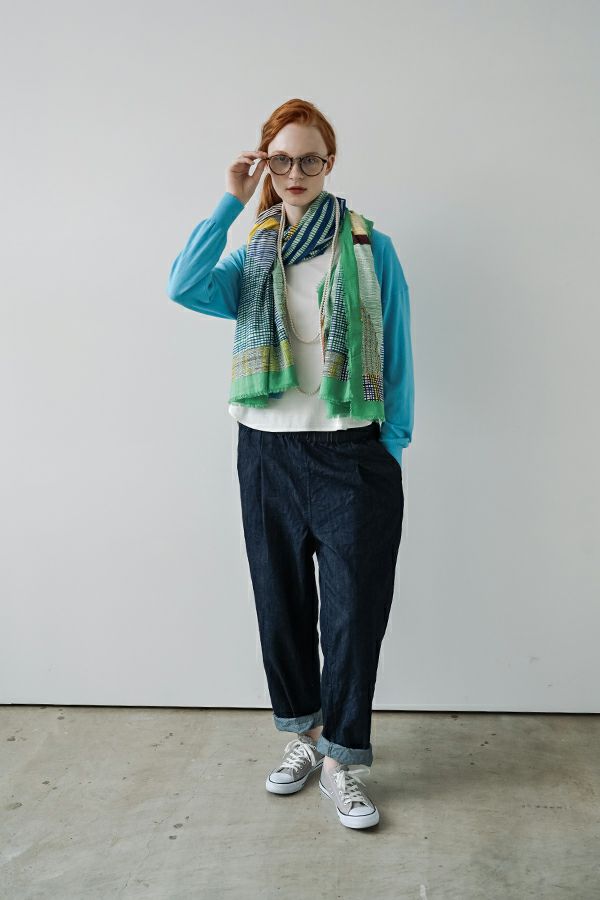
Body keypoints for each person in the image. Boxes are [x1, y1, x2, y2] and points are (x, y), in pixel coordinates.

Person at [167, 98, 414, 830]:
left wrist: (390, 444)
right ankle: (304, 736)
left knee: (353, 615)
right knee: (280, 605)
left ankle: (342, 760)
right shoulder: (254, 256)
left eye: (309, 159)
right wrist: (230, 200)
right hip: (267, 452)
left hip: (352, 454)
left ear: (329, 163)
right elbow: (182, 284)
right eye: (281, 159)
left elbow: (398, 345)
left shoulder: (369, 247)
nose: (295, 172)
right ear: (264, 164)